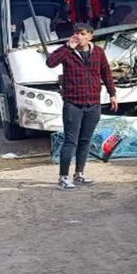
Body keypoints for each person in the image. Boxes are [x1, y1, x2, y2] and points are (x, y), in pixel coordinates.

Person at [44, 23, 118, 190]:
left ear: (90, 36)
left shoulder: (98, 52)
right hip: (73, 104)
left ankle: (79, 174)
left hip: (93, 103)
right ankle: (63, 178)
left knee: (85, 140)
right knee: (71, 141)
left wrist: (112, 94)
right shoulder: (67, 51)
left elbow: (106, 73)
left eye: (83, 34)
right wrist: (67, 47)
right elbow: (50, 62)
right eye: (77, 33)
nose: (79, 37)